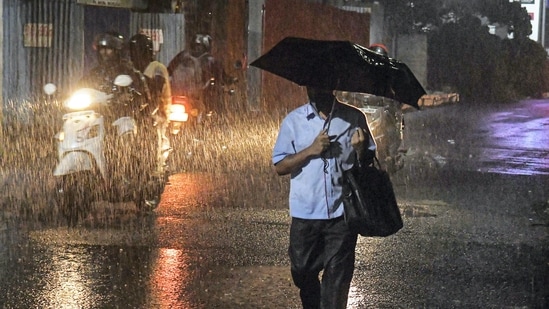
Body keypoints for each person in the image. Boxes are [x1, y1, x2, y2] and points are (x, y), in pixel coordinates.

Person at [272, 87, 376, 308]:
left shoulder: (354, 117)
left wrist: (360, 149)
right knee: (302, 271)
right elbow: (280, 166)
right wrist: (311, 150)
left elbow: (368, 158)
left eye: (320, 82)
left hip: (342, 213)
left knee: (337, 284)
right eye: (311, 84)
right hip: (305, 213)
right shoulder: (294, 120)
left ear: (332, 84)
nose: (314, 89)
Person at [129, 33, 172, 172]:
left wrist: (148, 109)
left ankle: (153, 167)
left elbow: (156, 92)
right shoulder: (131, 69)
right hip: (138, 110)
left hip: (158, 111)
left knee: (150, 128)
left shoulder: (156, 67)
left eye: (138, 51)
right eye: (133, 51)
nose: (135, 55)